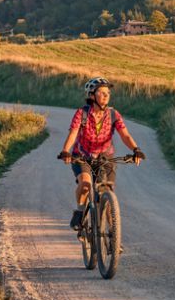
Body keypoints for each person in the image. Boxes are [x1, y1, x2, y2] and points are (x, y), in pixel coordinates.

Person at [57, 77, 145, 230]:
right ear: (92, 95)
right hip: (82, 156)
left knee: (107, 192)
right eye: (101, 92)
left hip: (105, 157)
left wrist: (136, 150)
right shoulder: (81, 113)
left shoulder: (113, 115)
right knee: (85, 184)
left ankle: (113, 236)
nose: (106, 96)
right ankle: (79, 211)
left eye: (108, 93)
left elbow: (125, 135)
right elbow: (73, 133)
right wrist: (66, 151)